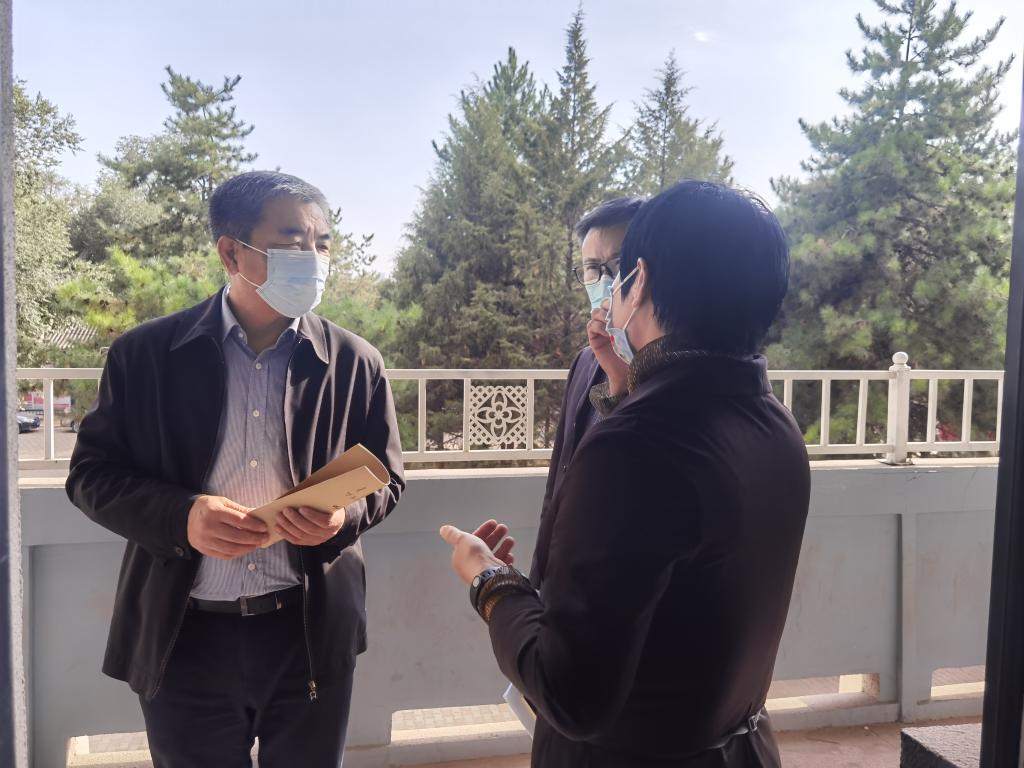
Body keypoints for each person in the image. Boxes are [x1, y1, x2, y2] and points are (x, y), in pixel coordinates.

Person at [441, 180, 810, 767]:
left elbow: (571, 694)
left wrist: (491, 581)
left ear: (639, 280)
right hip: (740, 745)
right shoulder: (774, 423)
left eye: (616, 272)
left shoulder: (636, 445)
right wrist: (626, 391)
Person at [66, 170, 405, 768]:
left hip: (307, 632)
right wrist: (181, 517)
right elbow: (91, 475)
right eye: (292, 241)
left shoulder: (355, 362)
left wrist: (343, 515)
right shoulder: (145, 356)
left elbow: (387, 479)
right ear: (231, 252)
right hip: (184, 636)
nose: (313, 258)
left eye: (323, 244)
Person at [532, 196, 643, 587]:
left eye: (618, 264)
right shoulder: (585, 361)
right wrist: (538, 576)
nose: (605, 281)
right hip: (563, 576)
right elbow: (558, 481)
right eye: (593, 268)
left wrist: (623, 386)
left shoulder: (670, 369)